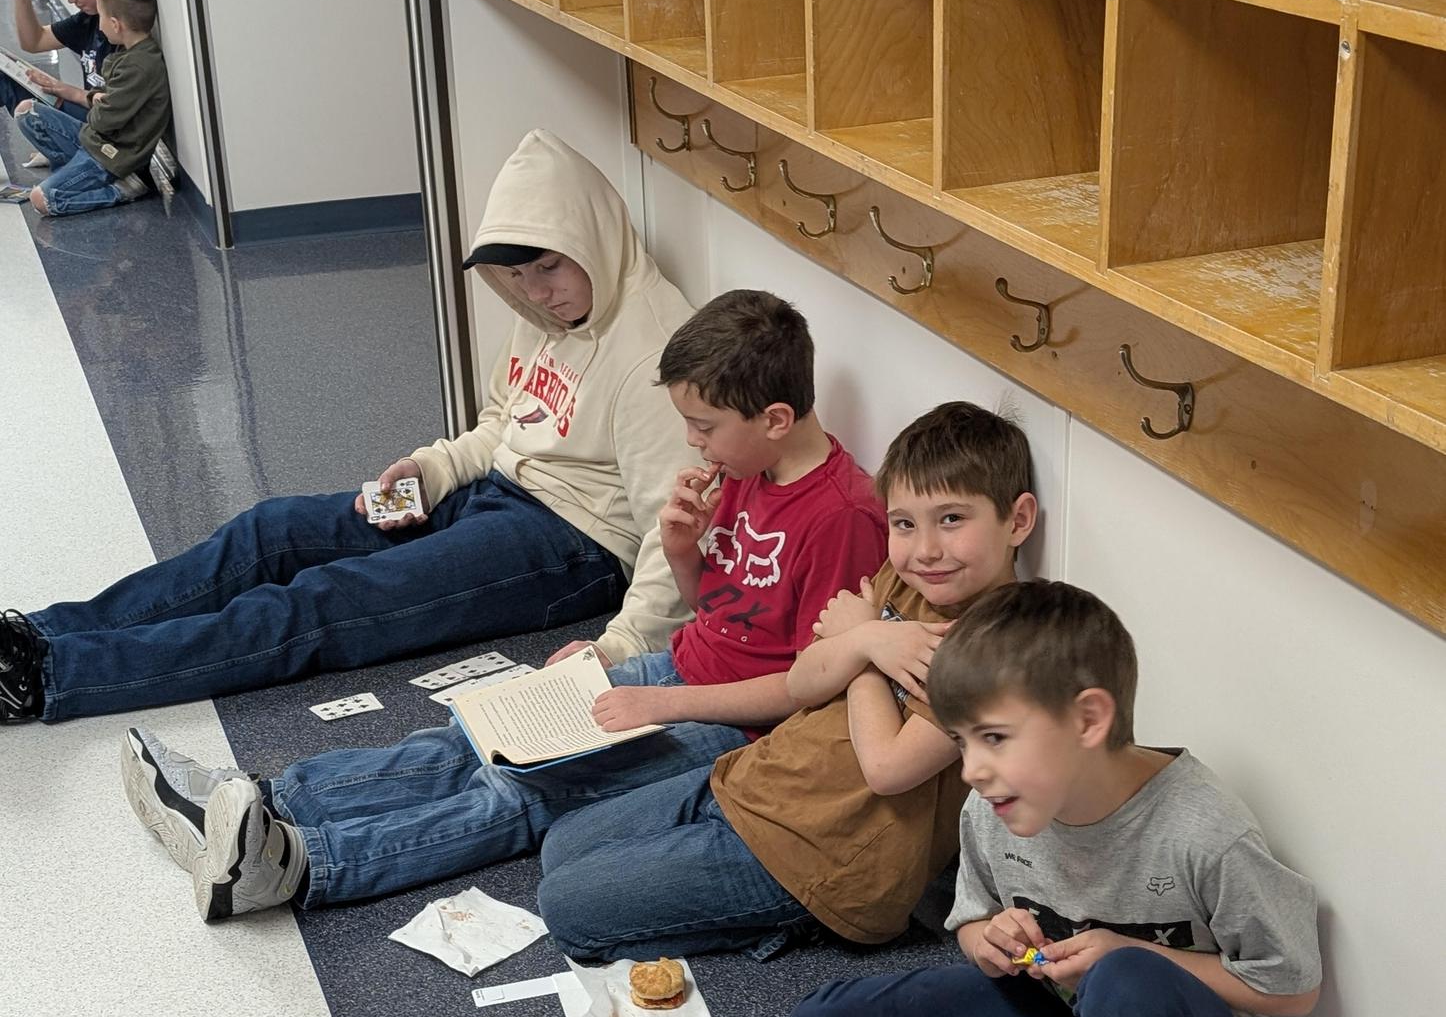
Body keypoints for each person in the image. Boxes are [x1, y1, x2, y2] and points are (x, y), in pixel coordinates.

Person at [120, 292, 889, 919]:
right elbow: (720, 611)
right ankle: (263, 799)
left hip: (733, 730)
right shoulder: (748, 468)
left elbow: (805, 688)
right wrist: (684, 549)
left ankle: (295, 865)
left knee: (520, 790)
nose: (693, 445)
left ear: (776, 420)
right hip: (676, 675)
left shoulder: (844, 515)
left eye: (704, 427)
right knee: (474, 734)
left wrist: (664, 699)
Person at [0, 131, 696, 726]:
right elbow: (506, 424)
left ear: (595, 237)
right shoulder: (549, 309)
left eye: (549, 267)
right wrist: (432, 469)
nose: (537, 291)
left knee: (326, 602)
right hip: (494, 489)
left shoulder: (655, 354)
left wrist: (620, 647)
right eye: (518, 276)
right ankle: (39, 634)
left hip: (574, 544)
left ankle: (55, 673)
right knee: (269, 530)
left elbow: (669, 533)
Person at [785, 580, 1322, 1017]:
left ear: (1088, 720)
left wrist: (1130, 953)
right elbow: (971, 924)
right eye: (962, 742)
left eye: (995, 739)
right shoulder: (993, 806)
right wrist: (987, 939)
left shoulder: (1206, 833)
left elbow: (1292, 990)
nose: (973, 770)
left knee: (1126, 979)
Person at [534, 401, 1039, 963]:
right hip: (756, 780)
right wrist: (864, 642)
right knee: (561, 846)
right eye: (904, 523)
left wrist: (864, 641)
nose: (925, 548)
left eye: (952, 520)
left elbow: (888, 769)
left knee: (568, 911)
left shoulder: (996, 650)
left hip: (819, 861)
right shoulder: (905, 576)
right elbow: (803, 683)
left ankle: (788, 925)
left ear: (1017, 520)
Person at [4, 0, 170, 217]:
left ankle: (120, 190)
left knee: (43, 200)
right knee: (27, 111)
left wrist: (96, 102)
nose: (99, 24)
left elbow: (103, 119)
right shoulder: (127, 55)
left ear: (115, 24)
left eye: (102, 17)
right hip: (97, 141)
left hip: (113, 157)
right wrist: (92, 98)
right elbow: (104, 100)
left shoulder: (138, 66)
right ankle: (71, 170)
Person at [2, 0, 118, 162]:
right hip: (87, 113)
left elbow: (116, 109)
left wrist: (66, 91)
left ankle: (65, 152)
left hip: (105, 135)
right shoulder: (90, 18)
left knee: (30, 112)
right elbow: (34, 42)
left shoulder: (121, 26)